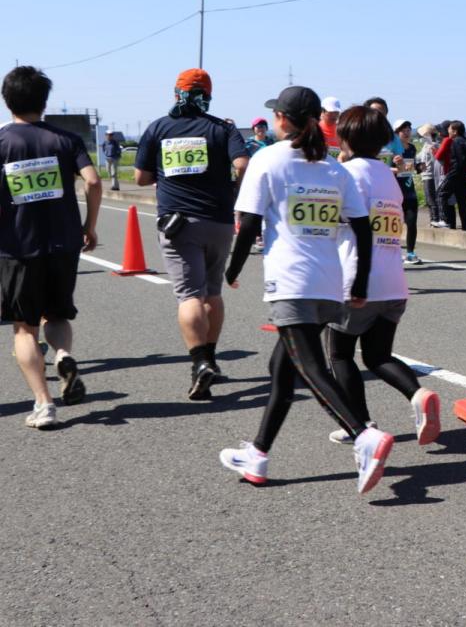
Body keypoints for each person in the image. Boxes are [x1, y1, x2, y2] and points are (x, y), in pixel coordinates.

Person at [220, 86, 393, 494]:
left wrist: (232, 269)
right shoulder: (334, 168)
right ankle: (258, 454)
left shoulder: (267, 160)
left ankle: (363, 433)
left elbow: (247, 224)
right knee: (282, 370)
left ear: (281, 118)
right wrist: (361, 281)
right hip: (328, 283)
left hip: (291, 281)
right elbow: (363, 230)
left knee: (312, 368)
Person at [323, 106, 440, 445]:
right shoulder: (387, 175)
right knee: (378, 356)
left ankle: (360, 426)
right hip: (393, 281)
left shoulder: (346, 174)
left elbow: (330, 221)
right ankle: (417, 395)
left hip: (356, 279)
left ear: (346, 138)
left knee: (340, 354)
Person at [134, 69, 249, 400]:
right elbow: (242, 164)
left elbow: (141, 177)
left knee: (189, 296)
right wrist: (235, 191)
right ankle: (211, 358)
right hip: (219, 220)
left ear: (176, 94)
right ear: (208, 95)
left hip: (179, 222)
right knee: (212, 293)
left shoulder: (159, 128)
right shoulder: (222, 128)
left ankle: (199, 364)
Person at [0, 66, 100, 428]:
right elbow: (92, 180)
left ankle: (44, 404)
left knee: (25, 327)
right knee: (56, 315)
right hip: (64, 243)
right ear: (44, 101)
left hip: (18, 247)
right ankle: (62, 354)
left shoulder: (3, 142)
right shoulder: (64, 140)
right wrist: (88, 226)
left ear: (6, 99)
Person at [434, 120, 466, 231]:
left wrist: (451, 174)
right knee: (463, 201)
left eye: (449, 129)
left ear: (454, 131)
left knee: (441, 193)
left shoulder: (455, 142)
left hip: (455, 174)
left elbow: (459, 162)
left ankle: (444, 220)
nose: (448, 131)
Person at [391, 120, 422, 264]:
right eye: (403, 130)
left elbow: (412, 167)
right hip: (393, 191)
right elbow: (382, 167)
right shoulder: (391, 150)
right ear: (397, 133)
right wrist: (397, 169)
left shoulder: (412, 148)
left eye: (409, 129)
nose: (407, 132)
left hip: (409, 190)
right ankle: (393, 252)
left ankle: (410, 253)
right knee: (394, 224)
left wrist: (420, 167)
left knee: (412, 222)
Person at [415, 123, 446, 227]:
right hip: (427, 175)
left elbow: (435, 160)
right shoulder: (427, 145)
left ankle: (434, 220)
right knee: (432, 199)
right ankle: (435, 219)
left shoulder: (433, 145)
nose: (421, 137)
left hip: (430, 175)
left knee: (431, 199)